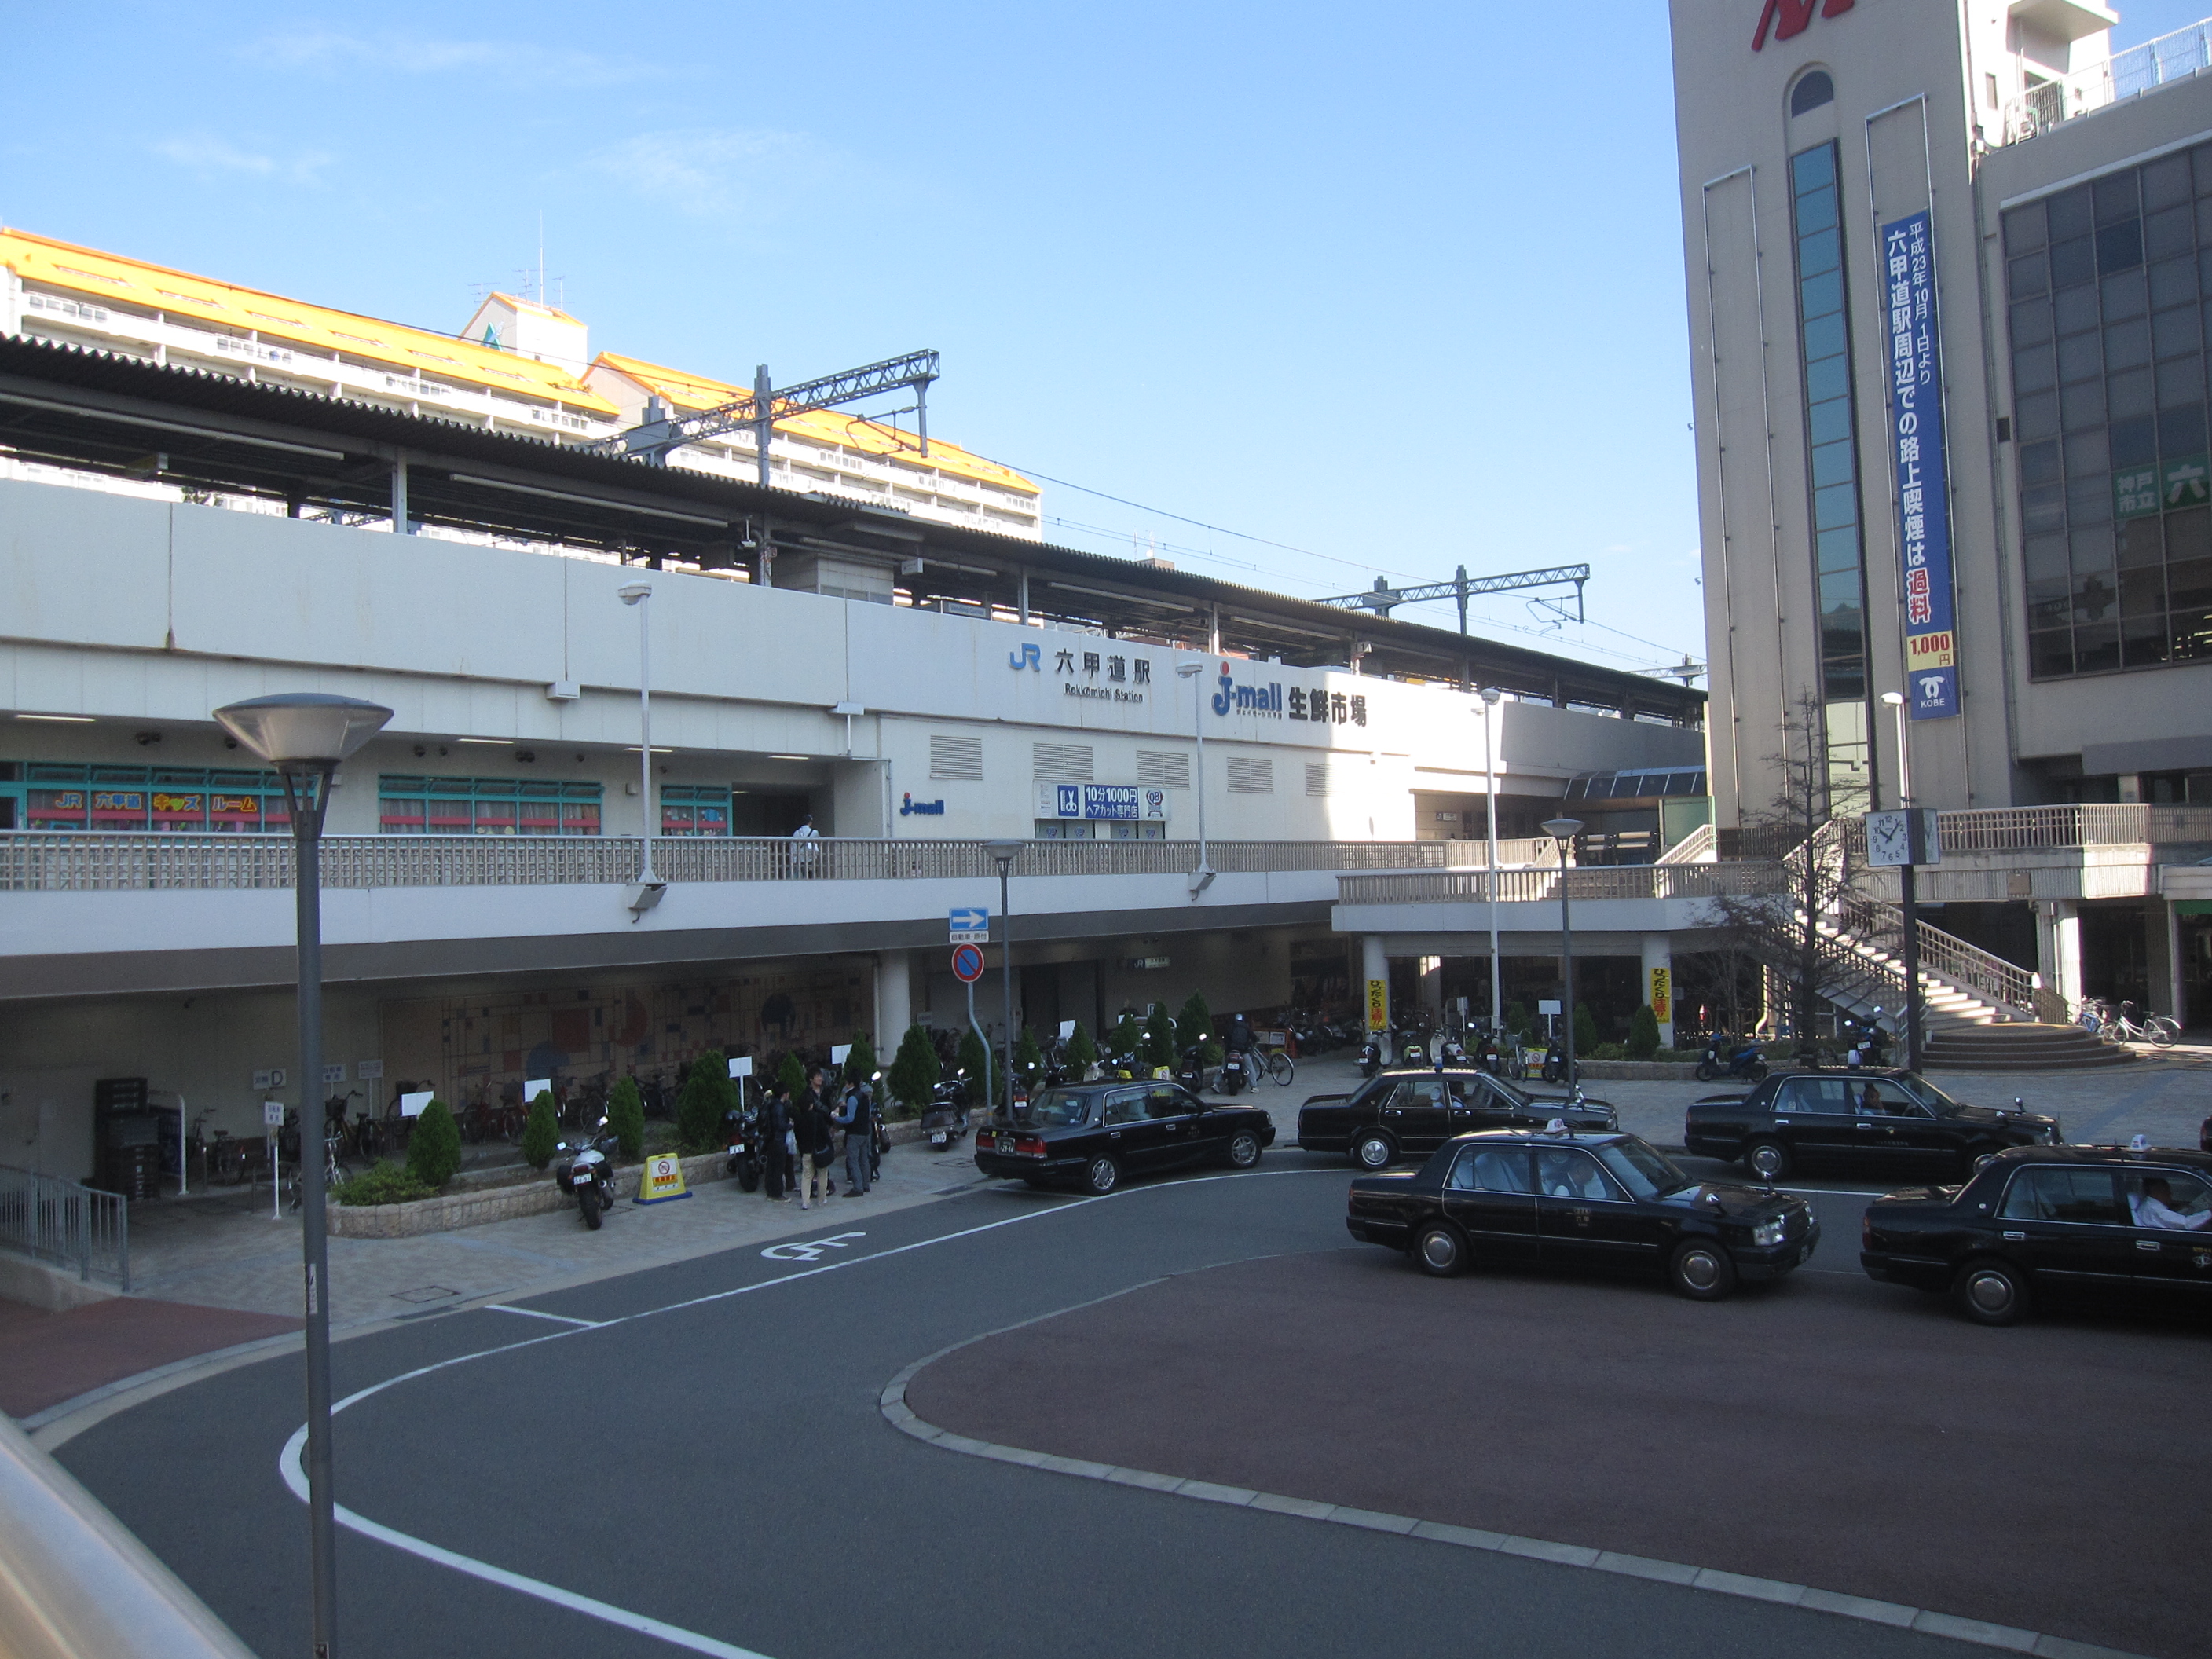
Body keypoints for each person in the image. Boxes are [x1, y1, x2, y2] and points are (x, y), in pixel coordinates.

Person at [797, 1068, 836, 1209]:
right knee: (822, 1173)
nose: (820, 1078)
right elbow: (825, 1134)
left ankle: (805, 1202)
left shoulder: (799, 1119)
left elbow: (798, 1136)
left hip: (807, 1148)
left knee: (806, 1174)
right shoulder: (818, 1116)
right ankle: (822, 1198)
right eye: (817, 1076)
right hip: (819, 1147)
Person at [2130, 1177, 2212, 1230]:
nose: (2170, 1195)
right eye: (2167, 1191)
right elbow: (2186, 1224)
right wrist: (2209, 1213)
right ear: (2157, 1191)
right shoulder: (2155, 1210)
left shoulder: (2150, 1205)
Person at [837, 1078, 873, 1197]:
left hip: (855, 1133)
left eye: (846, 1083)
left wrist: (836, 1118)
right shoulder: (864, 1096)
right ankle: (866, 1185)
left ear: (850, 1083)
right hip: (865, 1132)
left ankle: (858, 1188)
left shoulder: (852, 1098)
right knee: (864, 1159)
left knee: (853, 1160)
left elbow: (849, 1118)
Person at [761, 1085, 789, 1202]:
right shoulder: (779, 1107)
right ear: (784, 1094)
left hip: (771, 1139)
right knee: (778, 1168)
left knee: (771, 1167)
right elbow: (780, 1125)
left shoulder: (770, 1104)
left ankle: (770, 1191)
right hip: (778, 1140)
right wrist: (790, 1125)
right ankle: (777, 1193)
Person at [789, 814, 820, 878]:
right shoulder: (814, 832)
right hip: (811, 857)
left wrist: (794, 860)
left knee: (803, 875)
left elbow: (794, 847)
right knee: (812, 875)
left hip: (800, 858)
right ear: (810, 822)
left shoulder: (796, 832)